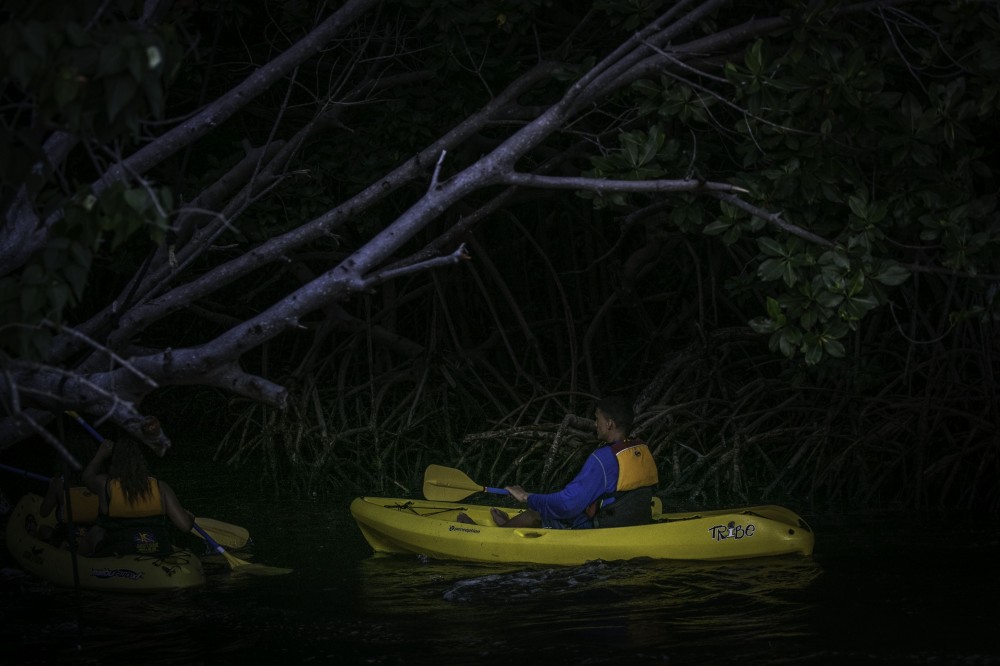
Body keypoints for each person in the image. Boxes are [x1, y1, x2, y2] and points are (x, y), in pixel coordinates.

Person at [468, 396, 659, 529]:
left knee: (534, 514)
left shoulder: (603, 459)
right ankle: (509, 525)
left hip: (605, 526)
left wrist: (527, 497)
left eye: (597, 419)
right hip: (634, 520)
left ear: (609, 423)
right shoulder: (640, 449)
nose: (595, 424)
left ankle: (498, 534)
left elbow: (567, 505)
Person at [81, 433, 195, 557]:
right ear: (143, 460)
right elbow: (185, 526)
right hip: (158, 547)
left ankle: (81, 563)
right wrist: (190, 517)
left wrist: (100, 455)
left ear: (114, 459)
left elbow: (86, 477)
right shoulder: (160, 487)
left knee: (95, 531)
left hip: (121, 550)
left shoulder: (104, 484)